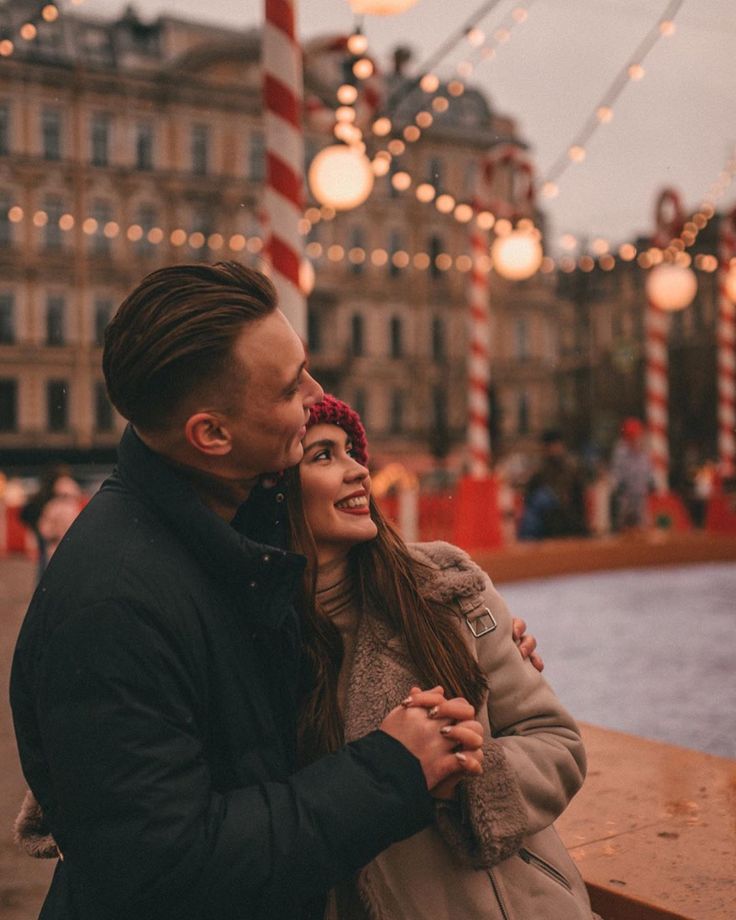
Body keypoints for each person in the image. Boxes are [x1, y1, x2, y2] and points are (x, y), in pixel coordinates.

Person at [10, 262, 487, 920]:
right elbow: (168, 871)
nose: (316, 392)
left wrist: (473, 636)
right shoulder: (115, 607)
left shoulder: (230, 524)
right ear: (212, 434)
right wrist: (389, 770)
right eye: (292, 387)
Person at [286, 395, 598, 919]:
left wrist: (468, 775)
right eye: (322, 455)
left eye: (351, 452)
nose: (358, 470)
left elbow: (558, 744)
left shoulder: (441, 587)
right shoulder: (250, 635)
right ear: (274, 489)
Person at [518, 429, 587, 540]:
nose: (554, 449)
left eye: (556, 445)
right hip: (546, 520)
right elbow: (529, 500)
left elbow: (579, 501)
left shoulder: (572, 470)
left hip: (567, 517)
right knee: (541, 499)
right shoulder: (539, 473)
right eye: (550, 446)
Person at [19, 465, 82, 579]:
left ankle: (43, 590)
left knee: (47, 568)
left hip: (52, 542)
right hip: (60, 542)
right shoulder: (72, 507)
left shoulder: (47, 500)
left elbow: (43, 527)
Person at [610, 417, 653, 531]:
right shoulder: (620, 452)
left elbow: (647, 470)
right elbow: (616, 472)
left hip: (641, 495)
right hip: (625, 495)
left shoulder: (644, 452)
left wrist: (650, 481)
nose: (635, 439)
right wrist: (618, 484)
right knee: (622, 523)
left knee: (642, 524)